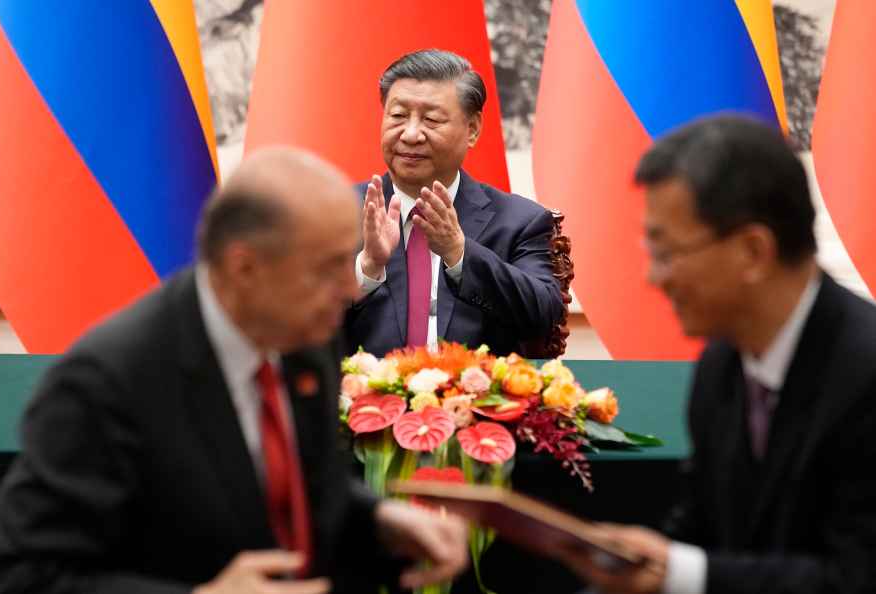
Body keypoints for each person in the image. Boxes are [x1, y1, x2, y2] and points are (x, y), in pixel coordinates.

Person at [0, 147, 468, 594]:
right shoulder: (108, 381)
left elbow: (297, 481)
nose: (349, 287)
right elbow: (18, 574)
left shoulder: (306, 335)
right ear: (245, 269)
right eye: (328, 267)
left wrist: (381, 519)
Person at [559, 116, 876, 593]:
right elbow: (700, 534)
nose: (654, 278)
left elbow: (857, 578)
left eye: (667, 253)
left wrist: (680, 572)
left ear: (753, 251)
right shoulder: (720, 365)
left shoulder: (865, 371)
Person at [345, 49, 563, 357]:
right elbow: (289, 323)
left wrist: (459, 253)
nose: (410, 134)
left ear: (472, 129)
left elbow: (545, 315)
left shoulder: (520, 221)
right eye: (397, 116)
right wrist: (365, 271)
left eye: (431, 119)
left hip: (474, 401)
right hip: (360, 402)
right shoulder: (335, 215)